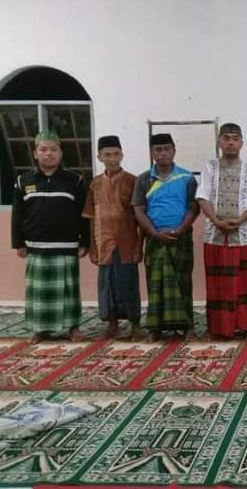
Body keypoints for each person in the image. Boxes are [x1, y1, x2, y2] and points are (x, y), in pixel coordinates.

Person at [11, 131, 89, 343]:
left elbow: (84, 214)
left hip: (67, 246)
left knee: (68, 291)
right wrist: (18, 243)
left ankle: (73, 328)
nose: (49, 154)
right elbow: (17, 214)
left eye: (53, 149)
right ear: (35, 153)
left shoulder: (74, 181)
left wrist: (85, 241)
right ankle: (40, 329)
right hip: (36, 247)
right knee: (39, 293)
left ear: (60, 153)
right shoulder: (23, 181)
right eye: (43, 149)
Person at [196, 123, 247, 339]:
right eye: (226, 138)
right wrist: (216, 221)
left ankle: (245, 325)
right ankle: (219, 328)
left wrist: (239, 221)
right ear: (219, 142)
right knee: (218, 283)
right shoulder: (210, 168)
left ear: (242, 143)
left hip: (241, 236)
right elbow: (202, 197)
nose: (230, 142)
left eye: (235, 138)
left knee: (243, 281)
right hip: (215, 235)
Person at [132, 133, 198, 341]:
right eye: (158, 149)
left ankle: (187, 327)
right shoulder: (144, 179)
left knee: (182, 282)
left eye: (167, 149)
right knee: (156, 284)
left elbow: (193, 208)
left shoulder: (187, 177)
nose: (163, 153)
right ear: (152, 153)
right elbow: (138, 210)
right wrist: (154, 233)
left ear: (174, 151)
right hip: (154, 239)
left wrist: (180, 230)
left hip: (181, 238)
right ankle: (155, 328)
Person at [83, 135, 144, 340]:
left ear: (122, 155)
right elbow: (91, 217)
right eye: (107, 155)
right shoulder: (95, 184)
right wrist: (92, 246)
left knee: (129, 283)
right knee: (107, 285)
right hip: (103, 242)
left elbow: (141, 216)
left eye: (116, 154)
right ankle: (112, 324)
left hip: (127, 242)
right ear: (99, 157)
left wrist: (139, 245)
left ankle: (135, 324)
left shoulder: (133, 181)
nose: (112, 159)